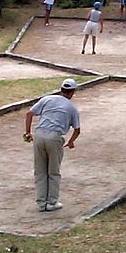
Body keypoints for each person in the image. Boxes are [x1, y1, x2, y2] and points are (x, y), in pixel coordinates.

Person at [24, 78, 81, 212]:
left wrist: (27, 132)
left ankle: (41, 202)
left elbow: (29, 113)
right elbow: (77, 130)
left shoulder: (47, 99)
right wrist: (71, 141)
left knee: (40, 170)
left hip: (39, 135)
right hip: (55, 137)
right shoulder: (71, 108)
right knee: (53, 171)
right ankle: (52, 202)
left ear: (61, 89)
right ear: (72, 92)